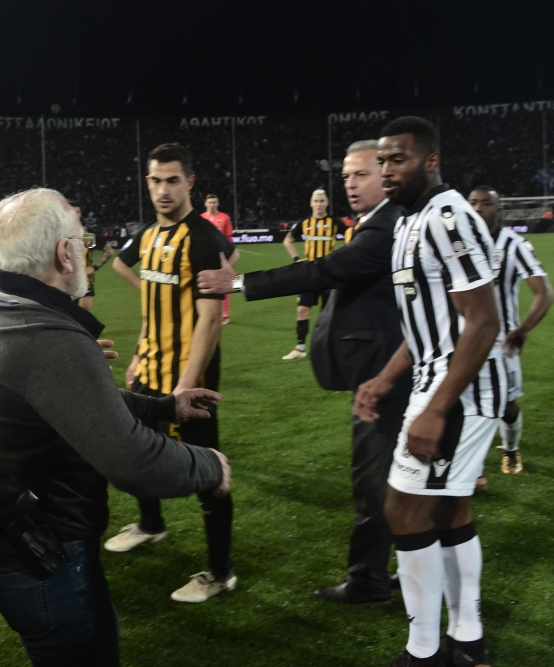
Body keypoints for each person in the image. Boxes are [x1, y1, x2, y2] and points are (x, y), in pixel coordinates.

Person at [0, 187, 229, 666]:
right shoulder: (50, 336)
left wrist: (164, 407)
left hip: (1, 538)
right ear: (65, 254)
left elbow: (74, 403)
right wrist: (209, 465)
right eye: (80, 243)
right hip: (42, 552)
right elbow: (133, 461)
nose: (85, 254)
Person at [197, 140, 408, 606]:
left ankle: (370, 581)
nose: (351, 184)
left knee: (374, 481)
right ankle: (404, 570)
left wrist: (236, 282)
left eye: (362, 174)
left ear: (387, 175)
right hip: (385, 369)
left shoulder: (386, 226)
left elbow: (327, 269)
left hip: (387, 373)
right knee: (395, 478)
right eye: (347, 176)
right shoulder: (378, 223)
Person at [354, 117, 502, 667]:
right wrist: (386, 378)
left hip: (457, 392)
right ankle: (468, 642)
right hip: (438, 382)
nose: (388, 171)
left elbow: (482, 322)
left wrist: (436, 409)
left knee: (404, 511)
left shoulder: (448, 216)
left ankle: (424, 651)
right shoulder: (409, 222)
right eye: (383, 161)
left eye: (400, 160)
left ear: (431, 161)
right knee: (449, 513)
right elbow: (429, 327)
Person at [108, 143, 238, 603]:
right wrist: (140, 352)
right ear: (147, 182)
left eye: (172, 180)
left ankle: (220, 573)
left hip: (188, 377)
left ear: (189, 183)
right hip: (151, 369)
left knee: (208, 472)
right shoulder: (146, 237)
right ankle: (150, 524)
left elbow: (208, 319)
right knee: (135, 453)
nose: (163, 190)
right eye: (156, 180)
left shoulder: (201, 238)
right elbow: (152, 303)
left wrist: (189, 382)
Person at [466, 186, 551, 484]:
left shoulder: (514, 245)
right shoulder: (458, 245)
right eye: (472, 203)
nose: (478, 208)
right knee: (464, 403)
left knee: (506, 405)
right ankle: (473, 469)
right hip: (463, 341)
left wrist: (523, 329)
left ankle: (511, 449)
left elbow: (543, 292)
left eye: (485, 204)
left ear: (499, 209)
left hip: (503, 344)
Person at [281, 189, 347, 360]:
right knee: (302, 310)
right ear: (311, 203)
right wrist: (296, 258)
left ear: (327, 203)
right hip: (309, 273)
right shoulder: (304, 223)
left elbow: (352, 237)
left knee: (328, 314)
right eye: (316, 201)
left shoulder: (334, 222)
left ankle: (329, 347)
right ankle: (300, 348)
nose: (319, 204)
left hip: (328, 274)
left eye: (322, 201)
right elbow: (287, 240)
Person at [69, 202, 114, 312]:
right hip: (67, 281)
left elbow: (109, 252)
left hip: (85, 281)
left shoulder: (87, 234)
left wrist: (94, 268)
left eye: (78, 212)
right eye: (72, 212)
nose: (75, 214)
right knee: (69, 317)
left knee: (84, 316)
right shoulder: (61, 234)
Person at [201, 194, 234, 324]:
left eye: (214, 202)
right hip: (205, 255)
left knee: (224, 283)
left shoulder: (225, 217)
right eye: (210, 202)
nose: (212, 204)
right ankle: (206, 311)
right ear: (205, 203)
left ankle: (225, 314)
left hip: (221, 256)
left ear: (218, 203)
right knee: (204, 282)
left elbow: (229, 238)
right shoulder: (201, 218)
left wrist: (228, 255)